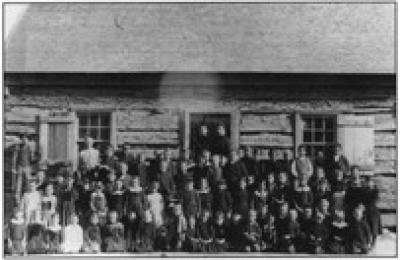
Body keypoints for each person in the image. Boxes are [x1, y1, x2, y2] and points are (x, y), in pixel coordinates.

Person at [12, 133, 34, 203]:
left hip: (27, 167)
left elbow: (31, 158)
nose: (24, 140)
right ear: (21, 139)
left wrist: (31, 167)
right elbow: (15, 158)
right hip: (20, 166)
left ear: (28, 140)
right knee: (19, 182)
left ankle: (28, 197)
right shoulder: (18, 147)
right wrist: (14, 168)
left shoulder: (29, 147)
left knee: (28, 182)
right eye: (23, 139)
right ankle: (17, 198)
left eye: (26, 139)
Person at [364, 176, 382, 246]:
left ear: (373, 183)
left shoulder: (375, 191)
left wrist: (371, 190)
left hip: (374, 212)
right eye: (367, 182)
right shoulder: (365, 191)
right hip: (367, 211)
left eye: (370, 182)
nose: (368, 183)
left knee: (374, 228)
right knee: (367, 227)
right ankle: (368, 241)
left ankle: (374, 242)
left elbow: (375, 199)